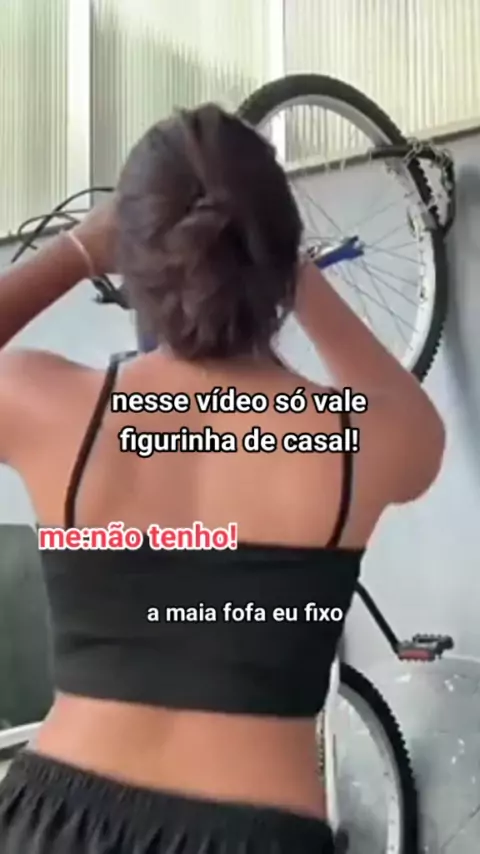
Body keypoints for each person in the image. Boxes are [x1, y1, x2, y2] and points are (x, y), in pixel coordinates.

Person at [0, 104, 445, 854]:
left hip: (56, 820)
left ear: (135, 259)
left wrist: (76, 250)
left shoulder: (59, 410)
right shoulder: (352, 439)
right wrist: (289, 266)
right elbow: (422, 433)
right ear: (277, 251)